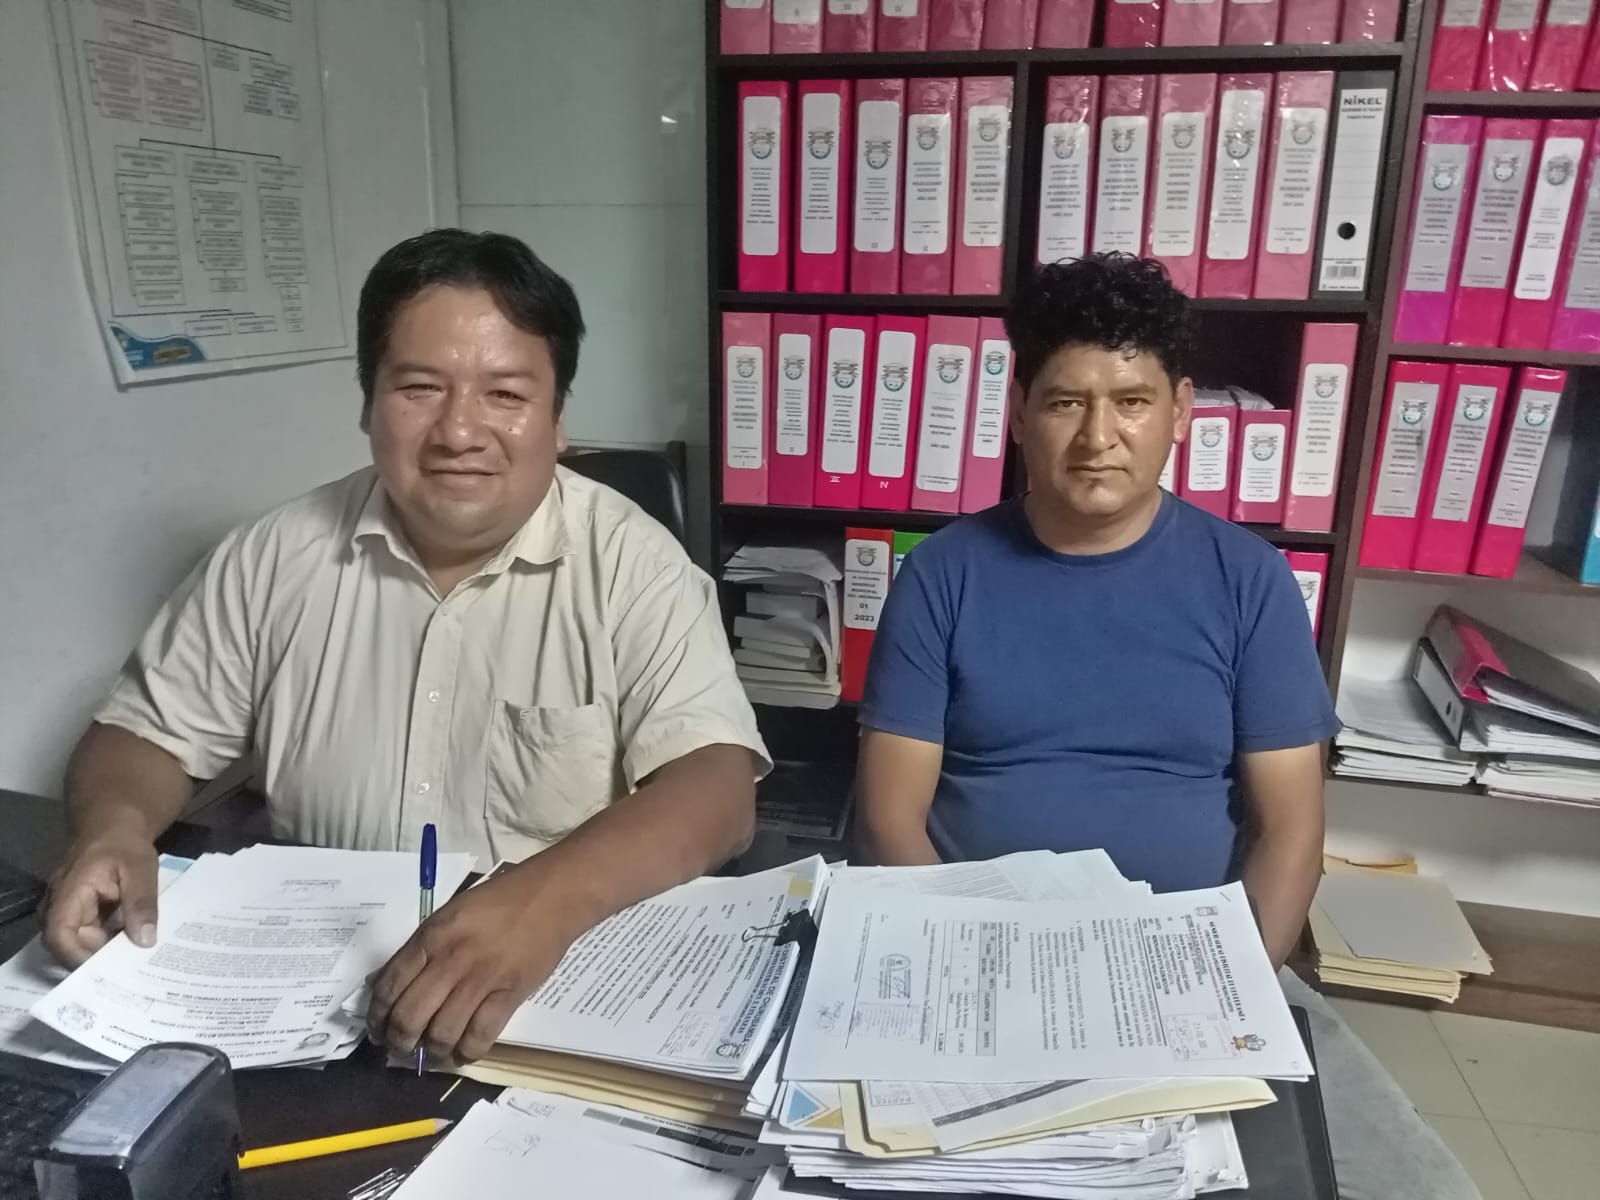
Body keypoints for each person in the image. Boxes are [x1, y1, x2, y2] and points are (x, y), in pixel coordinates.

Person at [41, 229, 770, 1069]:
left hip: (540, 994)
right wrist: (116, 826)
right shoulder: (274, 556)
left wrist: (543, 903)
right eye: (420, 388)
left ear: (557, 419)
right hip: (306, 1005)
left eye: (506, 394)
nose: (459, 431)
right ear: (368, 403)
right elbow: (143, 734)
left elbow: (716, 788)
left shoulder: (633, 564)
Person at [856, 254, 1481, 1200]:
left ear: (1181, 410)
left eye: (1132, 402)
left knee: (1411, 1185)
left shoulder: (1248, 581)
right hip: (977, 957)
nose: (1097, 437)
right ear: (1019, 410)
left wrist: (1234, 991)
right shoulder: (944, 574)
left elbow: (1292, 827)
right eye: (1066, 402)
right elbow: (889, 815)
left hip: (1193, 970)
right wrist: (979, 975)